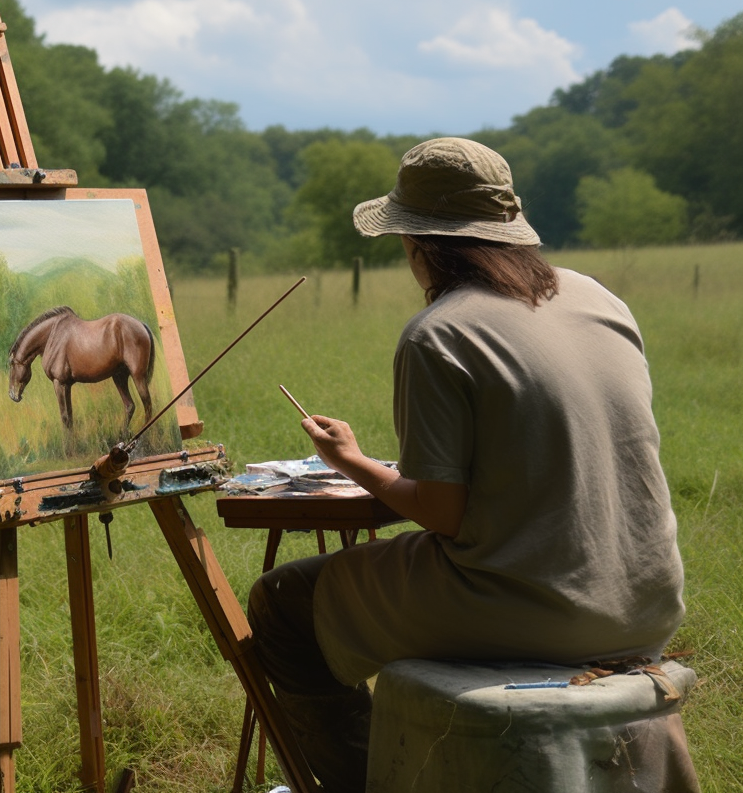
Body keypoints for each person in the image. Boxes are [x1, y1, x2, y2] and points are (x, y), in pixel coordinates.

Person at [247, 137, 686, 793]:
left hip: (536, 604)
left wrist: (352, 461)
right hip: (649, 598)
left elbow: (442, 514)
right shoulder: (597, 298)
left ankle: (367, 783)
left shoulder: (439, 332)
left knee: (283, 605)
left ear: (419, 243)